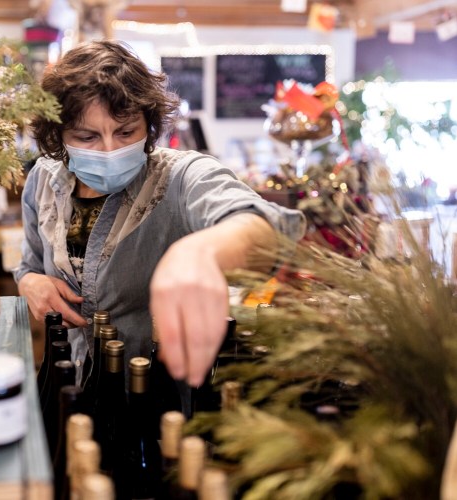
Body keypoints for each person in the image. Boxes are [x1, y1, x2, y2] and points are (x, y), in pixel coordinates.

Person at [15, 40, 305, 388]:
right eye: (86, 136)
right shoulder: (44, 180)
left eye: (126, 132)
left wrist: (200, 253)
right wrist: (29, 282)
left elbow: (262, 226)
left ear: (149, 126)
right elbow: (30, 266)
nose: (110, 150)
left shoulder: (180, 177)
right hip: (68, 384)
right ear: (59, 135)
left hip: (153, 398)